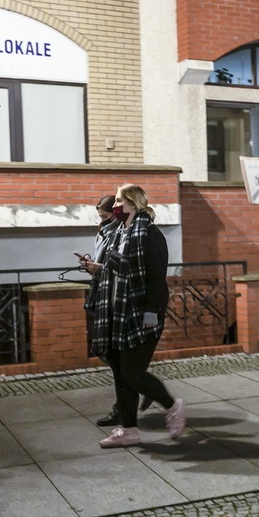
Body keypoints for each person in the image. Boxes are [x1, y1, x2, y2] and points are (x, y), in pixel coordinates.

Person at [86, 184, 185, 447]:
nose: (115, 205)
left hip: (142, 313)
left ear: (133, 203)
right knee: (120, 373)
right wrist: (99, 269)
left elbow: (155, 277)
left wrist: (151, 311)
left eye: (119, 200)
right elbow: (117, 268)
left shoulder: (150, 234)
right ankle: (128, 430)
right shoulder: (119, 233)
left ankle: (172, 405)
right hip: (118, 312)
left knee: (132, 373)